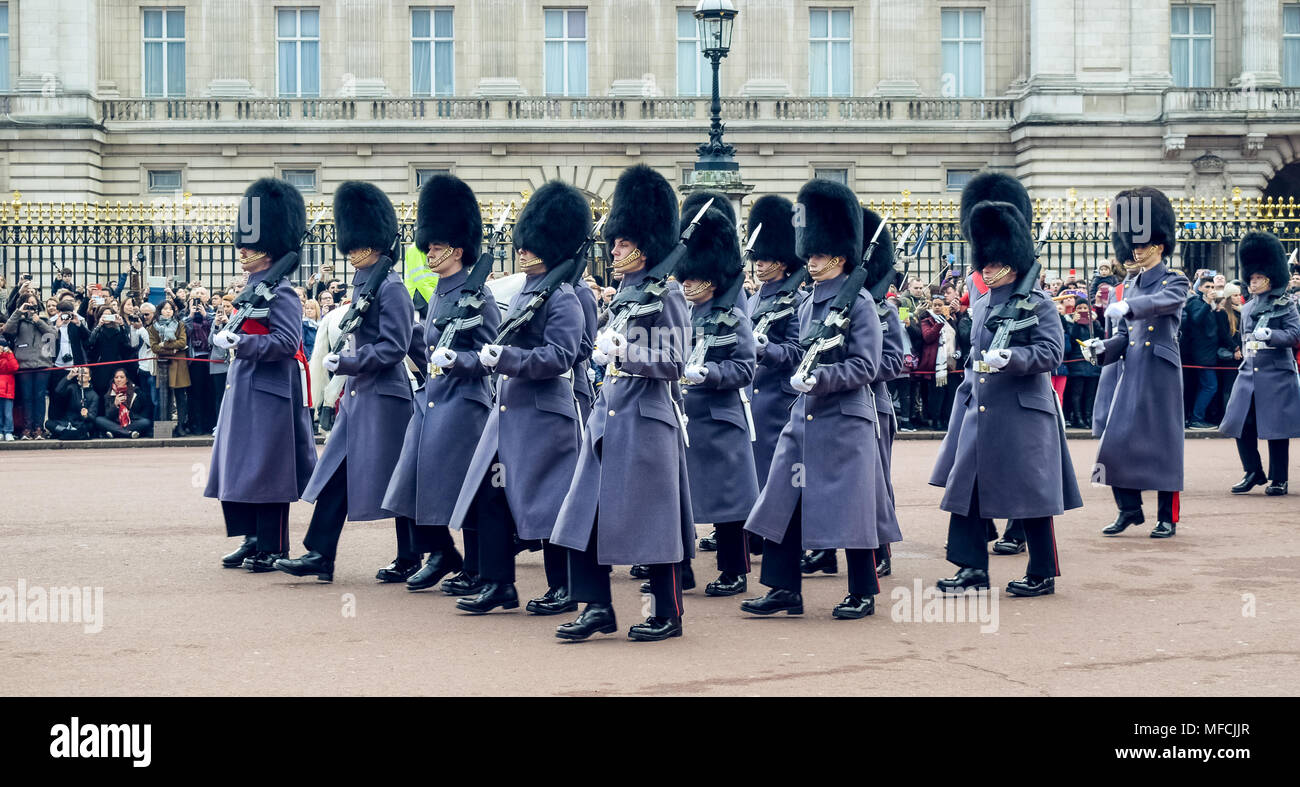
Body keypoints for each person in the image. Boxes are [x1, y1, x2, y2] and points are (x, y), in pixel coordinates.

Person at [549, 164, 694, 642]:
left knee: (655, 522)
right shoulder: (630, 293)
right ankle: (597, 607)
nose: (612, 250)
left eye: (620, 243)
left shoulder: (667, 293)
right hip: (608, 415)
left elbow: (675, 362)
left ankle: (667, 613)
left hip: (648, 419)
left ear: (643, 245)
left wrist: (626, 353)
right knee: (583, 514)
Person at [740, 178, 888, 620]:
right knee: (783, 498)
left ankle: (863, 591)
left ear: (838, 257)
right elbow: (800, 354)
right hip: (804, 418)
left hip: (845, 419)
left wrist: (819, 378)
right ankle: (784, 588)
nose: (810, 260)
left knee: (853, 507)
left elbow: (867, 366)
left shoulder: (859, 303)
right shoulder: (806, 305)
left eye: (818, 254)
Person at [930, 172, 1080, 597]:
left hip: (1022, 411)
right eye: (986, 261)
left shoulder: (1039, 303)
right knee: (968, 492)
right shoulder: (981, 303)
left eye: (995, 262)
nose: (989, 268)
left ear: (1011, 260)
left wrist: (1011, 358)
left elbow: (1051, 354)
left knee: (1031, 496)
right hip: (981, 408)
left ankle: (1042, 572)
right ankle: (971, 568)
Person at [445, 179, 589, 615]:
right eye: (521, 245)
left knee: (547, 502)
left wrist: (505, 357)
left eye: (530, 246)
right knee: (491, 498)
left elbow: (561, 356)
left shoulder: (562, 297)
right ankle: (498, 583)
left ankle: (564, 587)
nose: (521, 251)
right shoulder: (526, 292)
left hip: (545, 417)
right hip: (509, 414)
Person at [277, 181, 419, 583]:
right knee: (336, 472)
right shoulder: (365, 282)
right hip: (360, 397)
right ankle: (320, 553)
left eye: (358, 244)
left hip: (386, 399)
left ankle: (417, 554)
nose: (351, 251)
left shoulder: (390, 287)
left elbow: (395, 347)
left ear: (373, 242)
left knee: (396, 479)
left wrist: (352, 361)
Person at [381, 173, 497, 593]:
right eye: (428, 244)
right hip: (432, 400)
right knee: (409, 480)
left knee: (466, 489)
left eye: (436, 245)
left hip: (466, 404)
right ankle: (442, 551)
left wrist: (457, 361)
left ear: (457, 248)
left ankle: (477, 566)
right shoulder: (439, 294)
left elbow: (488, 358)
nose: (429, 250)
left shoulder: (477, 295)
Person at [204, 177, 317, 572]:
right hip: (245, 389)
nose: (241, 251)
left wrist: (241, 343)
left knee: (270, 471)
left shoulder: (281, 291)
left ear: (267, 250)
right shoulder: (254, 286)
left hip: (270, 392)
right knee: (240, 465)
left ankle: (274, 545)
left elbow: (288, 342)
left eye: (248, 246)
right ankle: (251, 539)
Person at [802, 208, 905, 580]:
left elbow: (895, 362)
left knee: (870, 487)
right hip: (834, 400)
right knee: (826, 482)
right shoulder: (826, 303)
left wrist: (853, 371)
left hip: (871, 404)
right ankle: (825, 549)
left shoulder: (881, 310)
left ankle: (880, 550)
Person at [1084, 187, 1190, 539]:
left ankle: (1167, 517)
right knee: (1115, 443)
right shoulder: (1130, 285)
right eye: (1134, 245)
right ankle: (1129, 510)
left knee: (1163, 447)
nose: (1137, 251)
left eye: (1143, 245)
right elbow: (1121, 338)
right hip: (1131, 372)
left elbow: (1167, 301)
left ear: (1159, 246)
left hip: (1159, 372)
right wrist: (1101, 349)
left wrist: (1131, 308)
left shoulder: (1175, 279)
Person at [676, 197, 758, 597]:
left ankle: (735, 570)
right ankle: (682, 568)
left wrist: (709, 373)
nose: (686, 282)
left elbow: (745, 368)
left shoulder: (734, 317)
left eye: (692, 278)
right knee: (681, 499)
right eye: (685, 277)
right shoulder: (683, 316)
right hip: (688, 420)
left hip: (721, 417)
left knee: (730, 504)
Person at [733, 193, 807, 558]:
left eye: (766, 260)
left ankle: (778, 531)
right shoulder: (756, 296)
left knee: (778, 471)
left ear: (783, 262)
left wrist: (764, 349)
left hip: (778, 398)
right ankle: (757, 527)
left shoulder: (792, 300)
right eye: (757, 259)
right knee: (755, 467)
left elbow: (796, 351)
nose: (759, 265)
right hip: (753, 395)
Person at [1219, 231, 1300, 496]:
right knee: (1240, 424)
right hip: (1249, 374)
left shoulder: (1286, 305)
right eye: (1251, 278)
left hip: (1276, 374)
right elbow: (1243, 337)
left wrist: (1272, 336)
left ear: (1270, 279)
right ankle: (1253, 471)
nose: (1252, 283)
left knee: (1277, 430)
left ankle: (1279, 479)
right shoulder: (1249, 307)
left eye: (1258, 278)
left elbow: (1295, 334)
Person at [3, 292, 55, 439]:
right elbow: (7, 329)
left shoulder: (44, 319)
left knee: (39, 397)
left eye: (34, 303)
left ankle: (38, 428)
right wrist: (19, 311)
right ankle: (26, 428)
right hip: (24, 364)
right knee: (26, 397)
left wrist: (38, 321)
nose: (31, 306)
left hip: (42, 364)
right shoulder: (18, 320)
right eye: (28, 304)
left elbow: (53, 335)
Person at [1181, 275, 1221, 429]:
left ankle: (1197, 416)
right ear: (1199, 288)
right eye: (1207, 287)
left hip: (1208, 352)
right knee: (1210, 386)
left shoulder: (1207, 304)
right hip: (1201, 353)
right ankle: (1197, 418)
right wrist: (1207, 303)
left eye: (1213, 287)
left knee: (1204, 385)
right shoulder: (1195, 302)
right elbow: (1196, 320)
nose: (1211, 290)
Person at [149, 300, 192, 436]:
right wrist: (171, 349)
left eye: (171, 309)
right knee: (164, 396)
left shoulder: (180, 325)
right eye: (165, 309)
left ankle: (180, 426)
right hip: (162, 365)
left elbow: (182, 342)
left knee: (180, 396)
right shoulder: (153, 327)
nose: (168, 311)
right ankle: (165, 427)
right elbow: (154, 347)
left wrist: (164, 345)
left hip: (179, 364)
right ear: (160, 310)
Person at [93, 367, 152, 438]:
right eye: (116, 377)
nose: (119, 380)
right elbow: (108, 415)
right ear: (114, 380)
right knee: (98, 420)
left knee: (146, 422)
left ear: (126, 379)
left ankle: (115, 432)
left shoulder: (136, 391)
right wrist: (115, 405)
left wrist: (129, 415)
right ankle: (128, 433)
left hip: (131, 422)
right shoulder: (108, 394)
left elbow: (146, 408)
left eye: (121, 377)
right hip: (114, 422)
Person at [46, 366, 100, 440]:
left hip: (81, 425)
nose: (83, 374)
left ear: (89, 378)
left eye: (85, 373)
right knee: (48, 423)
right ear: (77, 377)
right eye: (81, 373)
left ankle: (67, 434)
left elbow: (93, 416)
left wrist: (86, 415)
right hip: (68, 423)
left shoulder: (94, 395)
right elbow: (58, 390)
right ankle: (70, 433)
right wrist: (69, 376)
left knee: (90, 425)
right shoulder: (72, 388)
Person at [0, 337, 16, 440]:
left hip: (7, 390)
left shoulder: (9, 356)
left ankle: (8, 431)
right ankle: (1, 431)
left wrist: (8, 354)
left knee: (8, 413)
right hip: (4, 389)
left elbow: (14, 367)